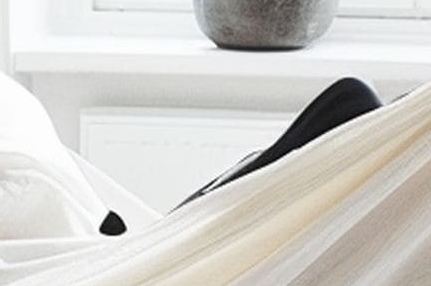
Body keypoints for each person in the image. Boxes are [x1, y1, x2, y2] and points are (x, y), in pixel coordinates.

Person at [97, 78, 385, 235]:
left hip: (169, 240)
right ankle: (170, 229)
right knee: (354, 99)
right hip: (165, 247)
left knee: (354, 100)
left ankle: (173, 227)